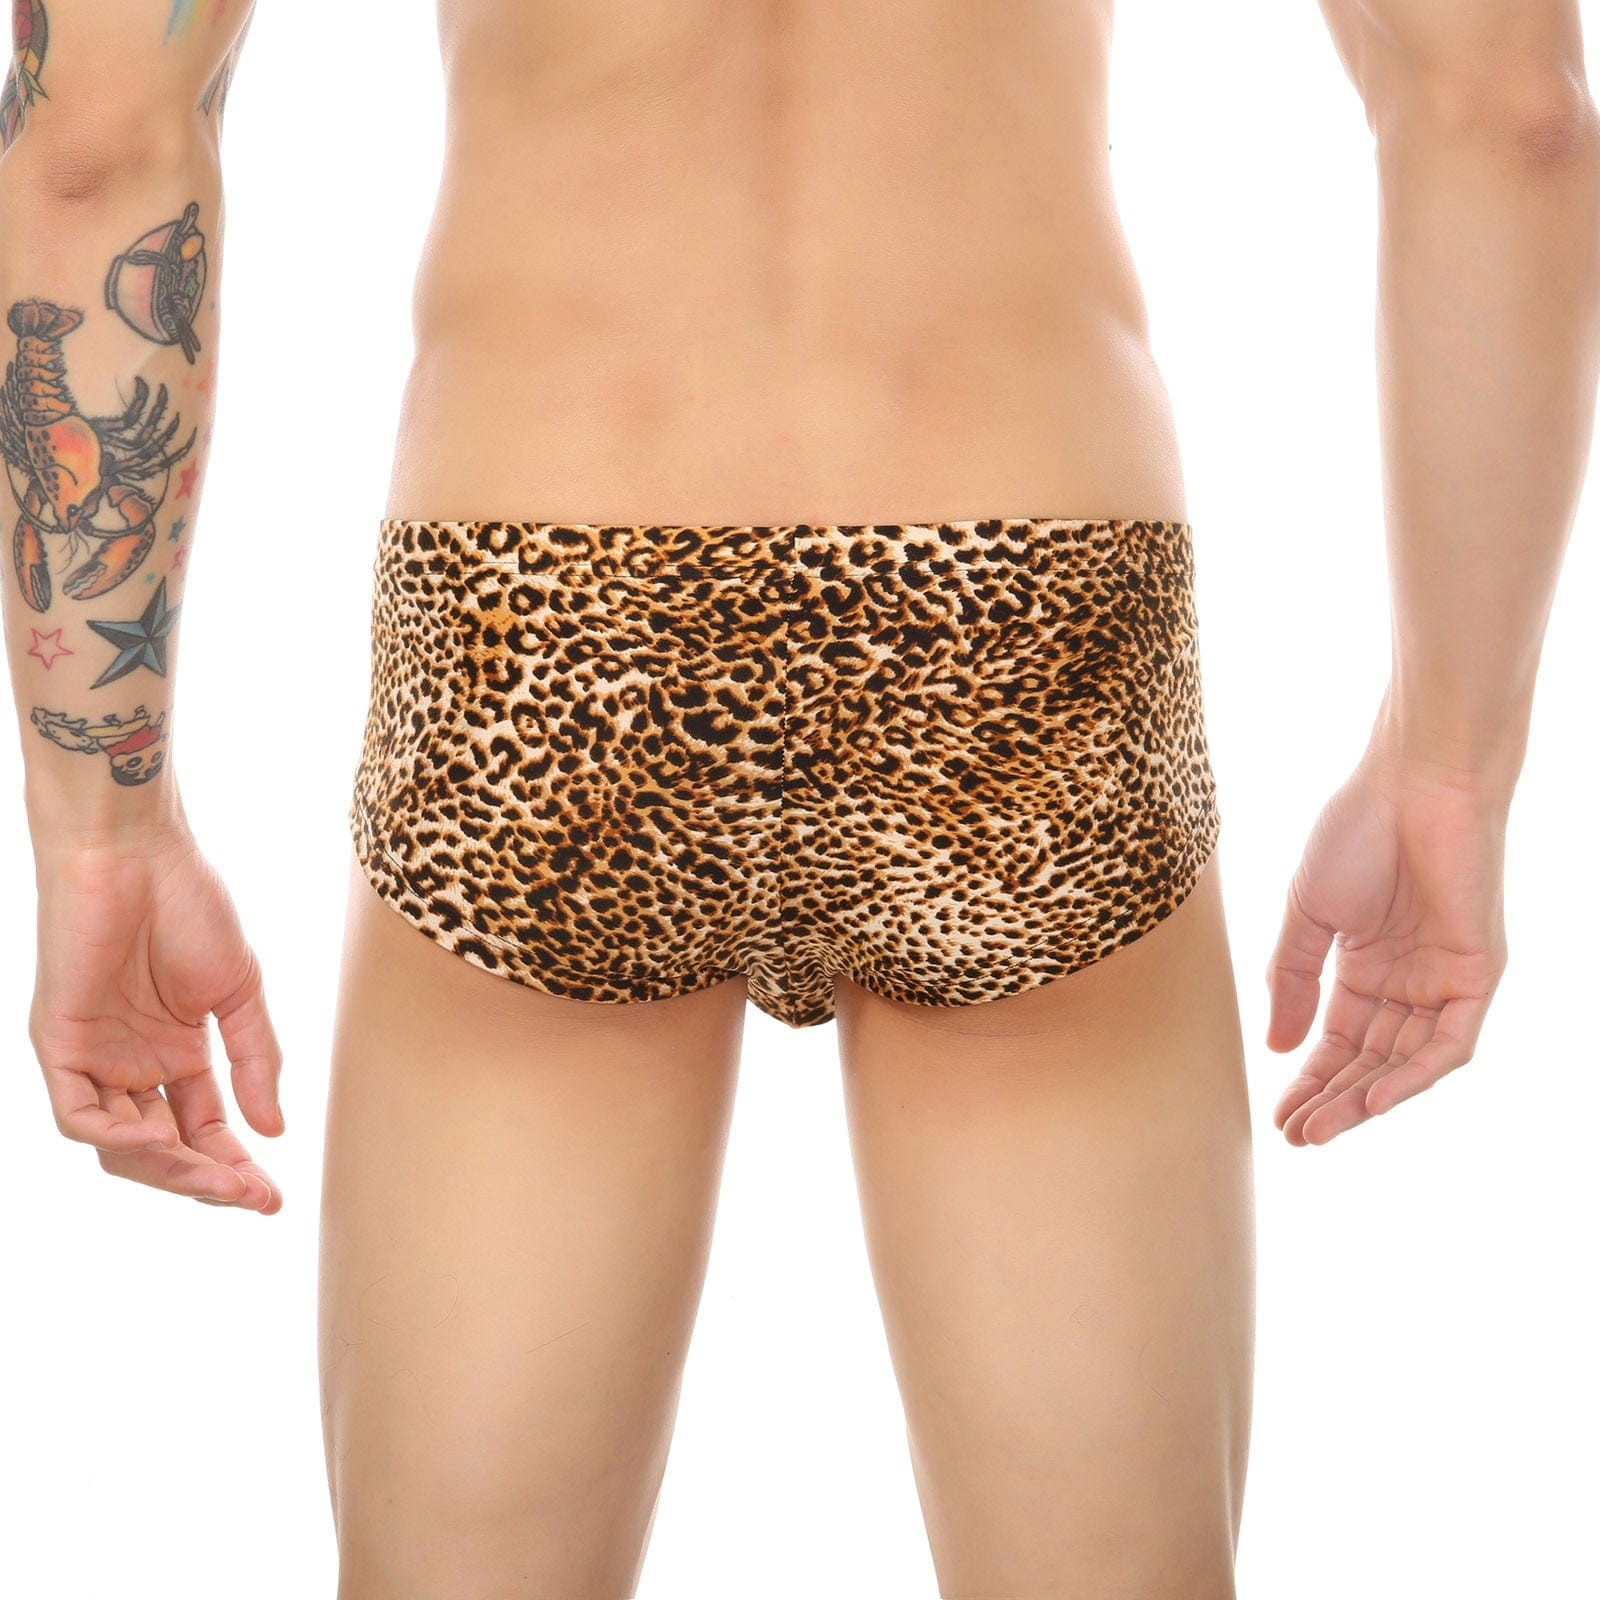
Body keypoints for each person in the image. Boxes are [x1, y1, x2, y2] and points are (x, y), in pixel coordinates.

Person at [5, 1, 1596, 1595]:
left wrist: (100, 839)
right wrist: (1451, 768)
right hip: (1017, 613)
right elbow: (1502, 110)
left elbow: (95, 145)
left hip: (544, 623)